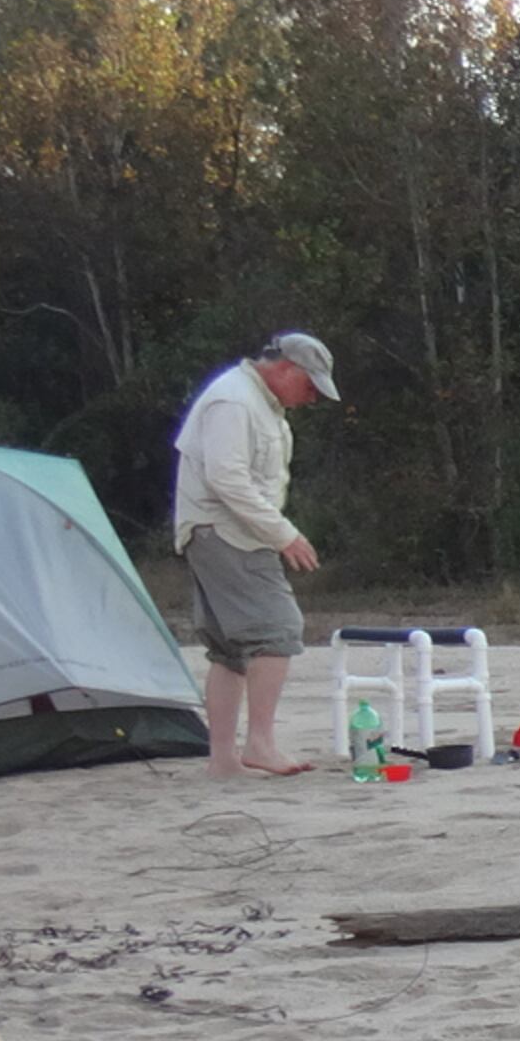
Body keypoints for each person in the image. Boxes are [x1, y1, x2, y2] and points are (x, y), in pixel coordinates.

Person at [169, 332, 337, 776]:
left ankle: (223, 759)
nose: (312, 398)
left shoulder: (260, 403)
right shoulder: (236, 401)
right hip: (228, 532)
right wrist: (283, 534)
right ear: (286, 369)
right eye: (310, 386)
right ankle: (260, 742)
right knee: (277, 628)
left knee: (229, 649)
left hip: (220, 532)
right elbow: (227, 478)